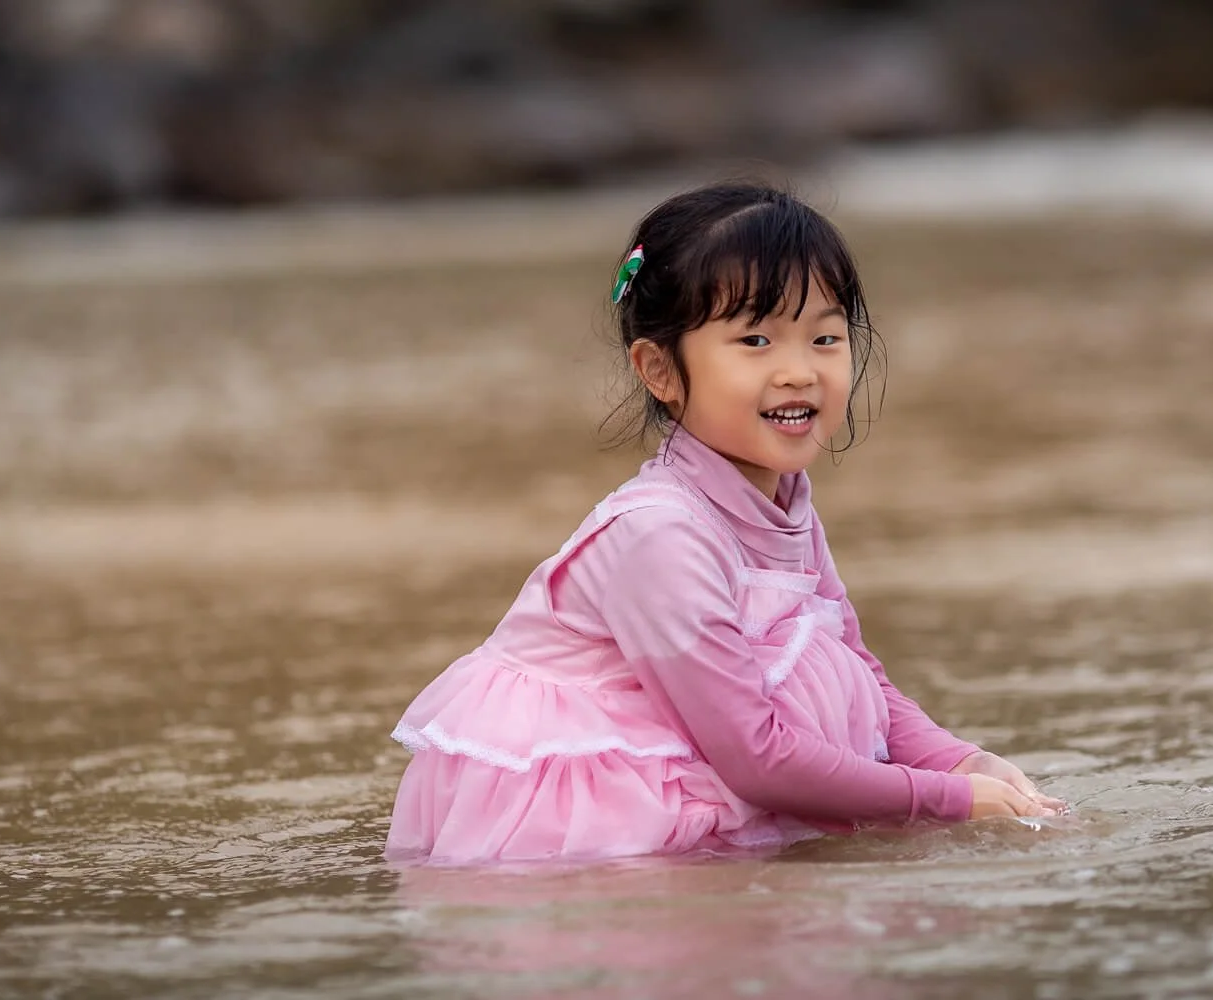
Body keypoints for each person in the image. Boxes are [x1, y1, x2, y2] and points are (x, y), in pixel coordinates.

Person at [385, 181, 1066, 864]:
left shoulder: (785, 500)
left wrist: (963, 762)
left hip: (708, 771)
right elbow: (756, 759)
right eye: (756, 340)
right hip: (579, 830)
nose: (798, 372)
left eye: (825, 337)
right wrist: (946, 801)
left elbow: (866, 675)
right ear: (660, 371)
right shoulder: (659, 536)